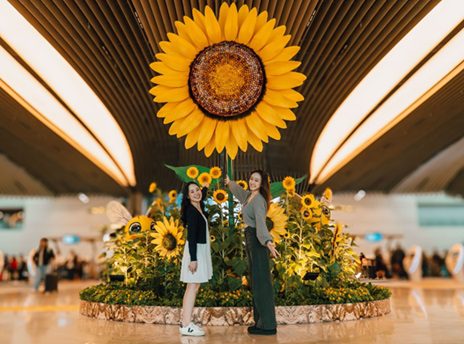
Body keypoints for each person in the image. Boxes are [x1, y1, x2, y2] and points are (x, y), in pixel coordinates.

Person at [226, 170, 279, 336]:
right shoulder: (250, 197)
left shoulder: (259, 200)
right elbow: (240, 193)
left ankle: (268, 325)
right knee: (256, 282)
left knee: (262, 283)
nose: (252, 182)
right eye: (251, 179)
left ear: (262, 183)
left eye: (257, 180)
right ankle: (261, 323)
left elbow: (261, 224)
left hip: (257, 240)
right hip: (251, 239)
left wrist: (268, 242)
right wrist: (229, 183)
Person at [179, 181, 212, 336]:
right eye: (192, 192)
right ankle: (186, 324)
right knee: (192, 287)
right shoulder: (192, 211)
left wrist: (205, 186)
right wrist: (193, 259)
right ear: (187, 196)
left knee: (194, 286)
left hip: (200, 250)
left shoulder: (198, 205)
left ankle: (185, 322)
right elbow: (191, 237)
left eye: (197, 190)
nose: (197, 193)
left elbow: (202, 195)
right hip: (195, 251)